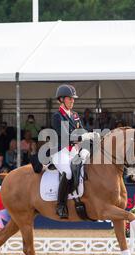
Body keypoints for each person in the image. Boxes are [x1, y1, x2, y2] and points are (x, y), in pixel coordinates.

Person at [50, 84, 98, 219]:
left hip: (74, 151)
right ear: (61, 99)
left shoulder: (75, 116)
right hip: (60, 152)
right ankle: (60, 205)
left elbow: (81, 132)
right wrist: (84, 137)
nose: (72, 101)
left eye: (73, 99)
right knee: (69, 173)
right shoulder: (57, 116)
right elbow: (65, 138)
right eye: (70, 98)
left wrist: (92, 137)